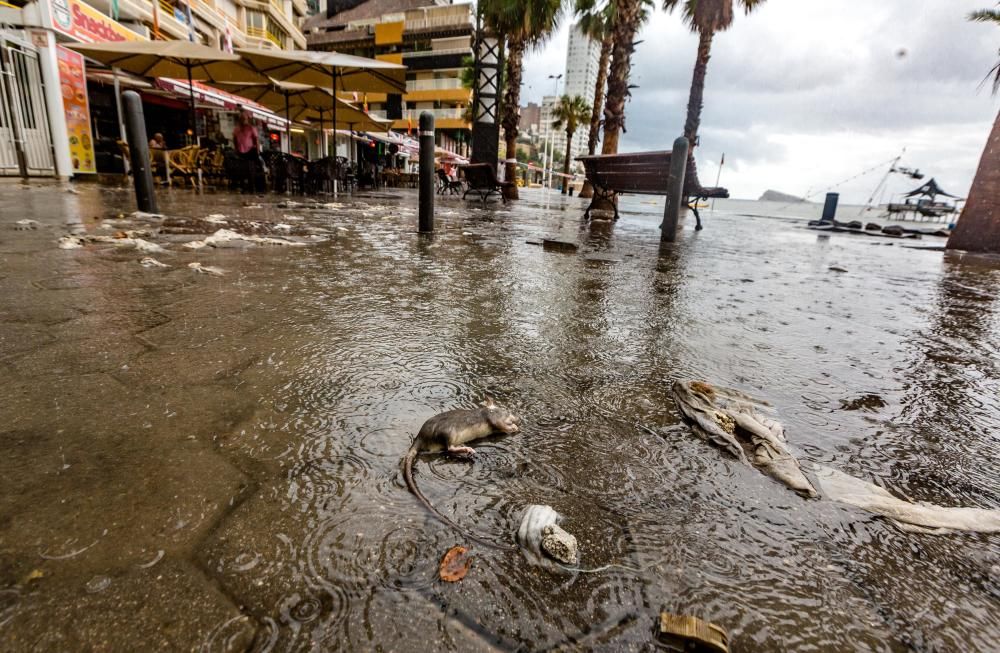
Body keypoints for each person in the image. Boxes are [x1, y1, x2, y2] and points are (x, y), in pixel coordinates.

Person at [232, 109, 262, 193]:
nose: (243, 120)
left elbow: (256, 139)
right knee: (242, 169)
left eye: (244, 119)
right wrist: (236, 148)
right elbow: (234, 139)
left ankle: (252, 187)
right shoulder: (237, 129)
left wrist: (257, 150)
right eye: (242, 119)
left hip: (250, 151)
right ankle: (243, 186)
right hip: (240, 151)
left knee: (250, 169)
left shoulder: (251, 128)